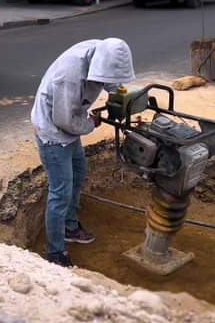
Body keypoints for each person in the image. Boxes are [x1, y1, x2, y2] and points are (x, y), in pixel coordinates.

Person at [31, 38, 136, 267]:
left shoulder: (103, 50)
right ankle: (55, 253)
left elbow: (111, 82)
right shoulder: (69, 77)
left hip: (71, 122)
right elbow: (64, 120)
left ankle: (70, 227)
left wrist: (120, 96)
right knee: (60, 192)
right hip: (53, 131)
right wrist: (91, 123)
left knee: (78, 174)